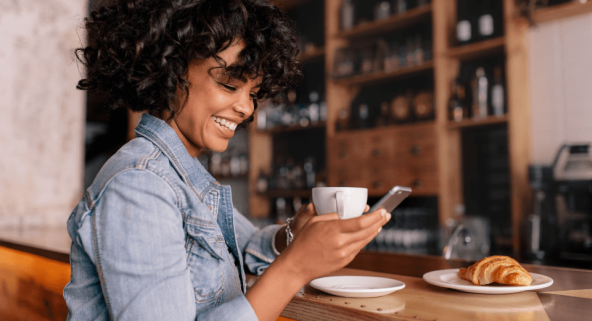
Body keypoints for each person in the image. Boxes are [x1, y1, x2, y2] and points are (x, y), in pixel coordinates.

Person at [63, 0, 391, 320]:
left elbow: (245, 245)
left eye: (252, 93)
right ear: (170, 70)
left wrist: (293, 234)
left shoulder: (184, 177)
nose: (247, 108)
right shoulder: (140, 185)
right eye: (229, 84)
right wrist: (295, 268)